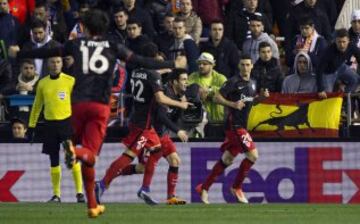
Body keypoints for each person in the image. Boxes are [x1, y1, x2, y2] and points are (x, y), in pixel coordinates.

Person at [9, 9, 187, 218]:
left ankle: (92, 204)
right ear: (105, 27)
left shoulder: (75, 44)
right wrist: (172, 64)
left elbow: (49, 52)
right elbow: (141, 60)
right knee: (90, 155)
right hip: (100, 107)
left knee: (86, 155)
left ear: (84, 27)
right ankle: (78, 155)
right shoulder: (112, 46)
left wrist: (19, 53)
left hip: (77, 104)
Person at [94, 43, 191, 206]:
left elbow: (148, 76)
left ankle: (146, 189)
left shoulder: (136, 72)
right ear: (153, 59)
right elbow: (160, 98)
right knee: (128, 156)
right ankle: (102, 184)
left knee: (157, 150)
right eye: (157, 60)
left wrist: (162, 71)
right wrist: (180, 104)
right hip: (142, 125)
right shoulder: (153, 76)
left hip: (142, 122)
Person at [195, 54, 269, 204]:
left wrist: (261, 98)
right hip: (235, 126)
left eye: (248, 65)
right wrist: (233, 104)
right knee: (253, 156)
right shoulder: (233, 82)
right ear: (239, 66)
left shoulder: (253, 83)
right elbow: (217, 98)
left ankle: (204, 188)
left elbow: (250, 102)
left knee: (227, 160)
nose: (245, 68)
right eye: (242, 65)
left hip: (241, 126)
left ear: (252, 66)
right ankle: (236, 187)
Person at [27, 56, 84, 203]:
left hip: (66, 124)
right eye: (52, 62)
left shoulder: (70, 81)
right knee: (54, 160)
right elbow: (37, 106)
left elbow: (79, 104)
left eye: (58, 62)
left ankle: (79, 193)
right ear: (48, 64)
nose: (55, 65)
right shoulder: (42, 83)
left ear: (62, 64)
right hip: (50, 125)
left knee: (72, 157)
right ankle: (56, 195)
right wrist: (31, 126)